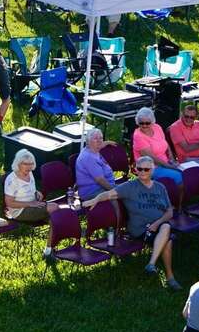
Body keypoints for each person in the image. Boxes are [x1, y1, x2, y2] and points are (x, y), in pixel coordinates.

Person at [85, 155, 178, 289]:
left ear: (152, 170)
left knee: (165, 229)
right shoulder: (130, 187)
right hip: (140, 229)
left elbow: (169, 211)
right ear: (135, 170)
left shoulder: (160, 187)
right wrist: (96, 199)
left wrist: (157, 223)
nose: (142, 172)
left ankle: (153, 265)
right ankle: (169, 276)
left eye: (146, 169)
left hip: (158, 226)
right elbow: (109, 194)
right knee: (167, 237)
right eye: (139, 169)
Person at [3, 150, 58, 224]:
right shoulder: (12, 180)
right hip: (20, 211)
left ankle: (55, 232)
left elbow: (28, 188)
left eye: (31, 164)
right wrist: (30, 203)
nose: (29, 167)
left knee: (56, 218)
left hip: (33, 204)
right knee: (54, 207)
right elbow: (9, 203)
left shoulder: (29, 173)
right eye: (25, 164)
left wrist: (36, 193)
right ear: (18, 164)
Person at [132, 107, 182, 186]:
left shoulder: (157, 127)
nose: (144, 125)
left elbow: (166, 144)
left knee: (184, 171)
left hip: (165, 162)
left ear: (152, 122)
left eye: (147, 123)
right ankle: (174, 198)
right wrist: (169, 166)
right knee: (178, 176)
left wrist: (172, 159)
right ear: (137, 122)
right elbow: (152, 158)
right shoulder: (138, 136)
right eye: (141, 123)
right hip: (150, 168)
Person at [75, 129, 118, 199]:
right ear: (88, 142)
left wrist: (108, 142)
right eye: (95, 138)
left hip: (103, 186)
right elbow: (100, 180)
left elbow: (100, 144)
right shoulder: (88, 157)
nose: (99, 141)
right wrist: (114, 190)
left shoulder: (93, 149)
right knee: (124, 194)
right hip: (92, 191)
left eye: (101, 138)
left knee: (129, 189)